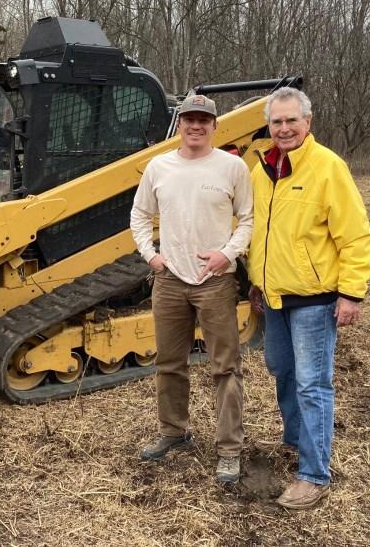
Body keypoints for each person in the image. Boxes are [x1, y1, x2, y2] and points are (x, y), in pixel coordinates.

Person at [247, 87, 370, 509]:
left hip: (315, 301)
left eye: (291, 120)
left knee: (312, 384)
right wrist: (258, 279)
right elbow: (261, 231)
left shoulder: (327, 167)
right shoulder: (263, 169)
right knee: (281, 370)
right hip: (275, 297)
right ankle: (295, 441)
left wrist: (351, 293)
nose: (284, 128)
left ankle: (314, 475)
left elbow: (356, 235)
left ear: (308, 122)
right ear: (268, 126)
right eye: (276, 122)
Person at [130, 93, 254, 484]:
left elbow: (248, 219)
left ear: (215, 126)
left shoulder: (232, 167)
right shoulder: (159, 167)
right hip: (169, 280)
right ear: (180, 124)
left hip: (215, 282)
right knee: (169, 362)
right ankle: (173, 431)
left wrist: (227, 253)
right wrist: (151, 255)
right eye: (189, 119)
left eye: (204, 120)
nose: (196, 126)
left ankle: (229, 448)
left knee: (225, 367)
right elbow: (139, 215)